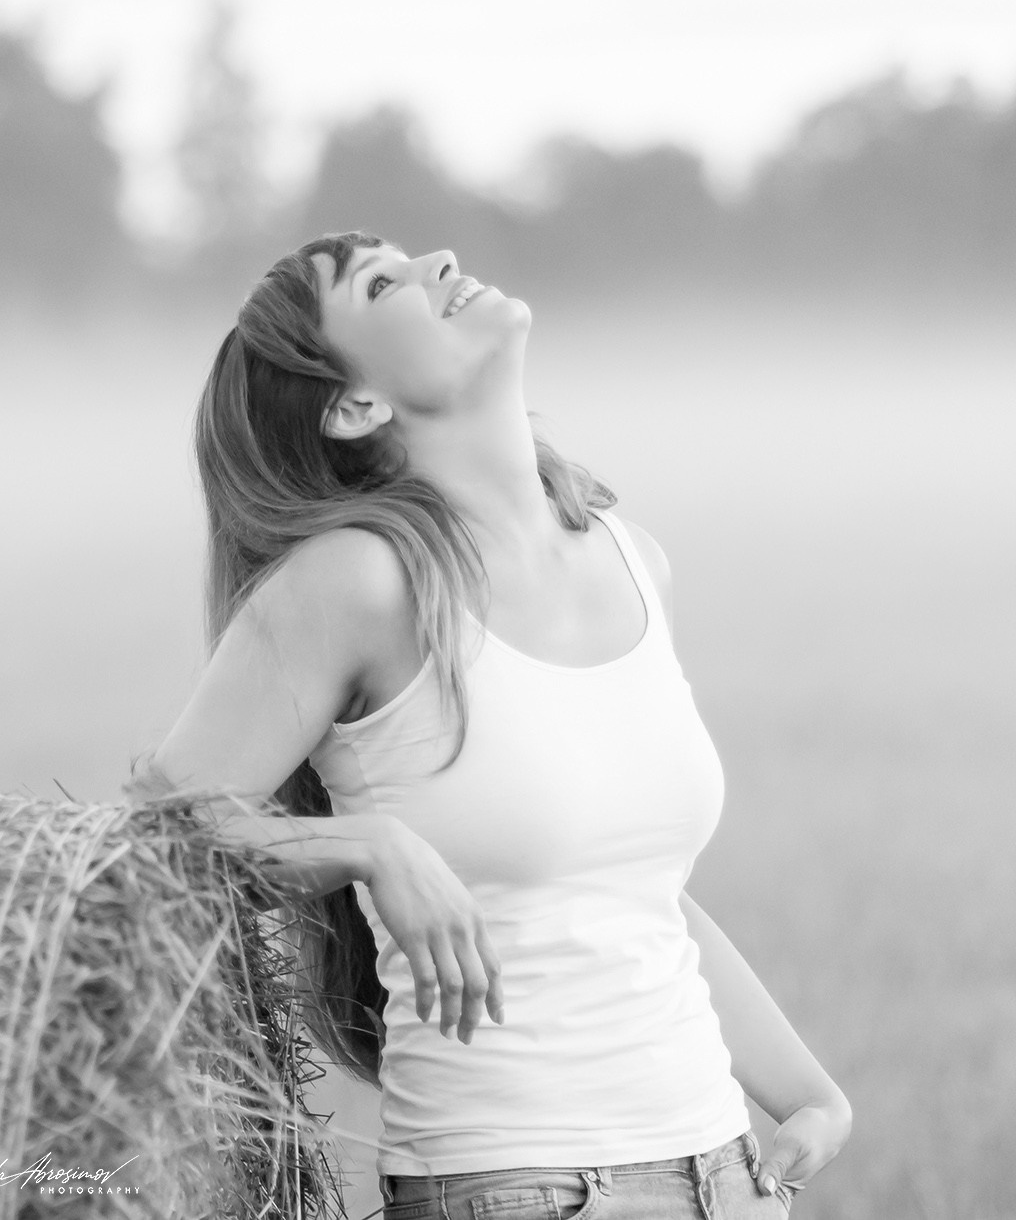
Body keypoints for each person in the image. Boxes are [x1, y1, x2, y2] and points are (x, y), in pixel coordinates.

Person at [124, 232, 851, 1219]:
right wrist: (364, 844)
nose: (439, 260)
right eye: (383, 283)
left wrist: (806, 1093)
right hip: (515, 1186)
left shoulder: (627, 557)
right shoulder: (356, 582)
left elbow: (634, 902)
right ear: (353, 403)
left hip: (720, 1171)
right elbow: (154, 834)